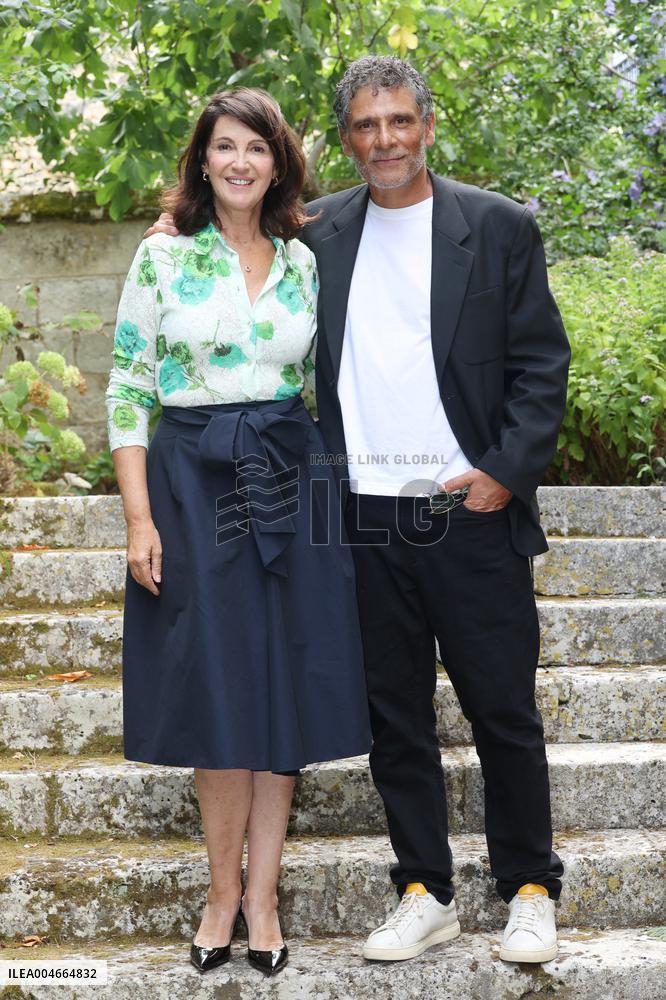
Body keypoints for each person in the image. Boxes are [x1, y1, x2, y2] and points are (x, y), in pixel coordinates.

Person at [149, 56, 570, 966]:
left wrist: (501, 470)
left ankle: (530, 888)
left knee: (503, 709)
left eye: (399, 121)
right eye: (365, 126)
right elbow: (230, 263)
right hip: (360, 516)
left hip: (467, 506)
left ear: (427, 123)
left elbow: (542, 365)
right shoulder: (318, 232)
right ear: (344, 139)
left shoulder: (497, 228)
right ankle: (424, 889)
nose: (384, 140)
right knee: (396, 716)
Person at [107, 86, 371, 978]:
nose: (241, 163)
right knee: (219, 689)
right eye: (225, 147)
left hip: (292, 480)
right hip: (189, 481)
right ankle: (222, 893)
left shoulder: (305, 261)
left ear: (279, 160)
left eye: (257, 148)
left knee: (281, 687)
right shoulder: (161, 260)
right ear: (203, 159)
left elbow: (333, 380)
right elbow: (128, 390)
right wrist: (140, 518)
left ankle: (265, 898)